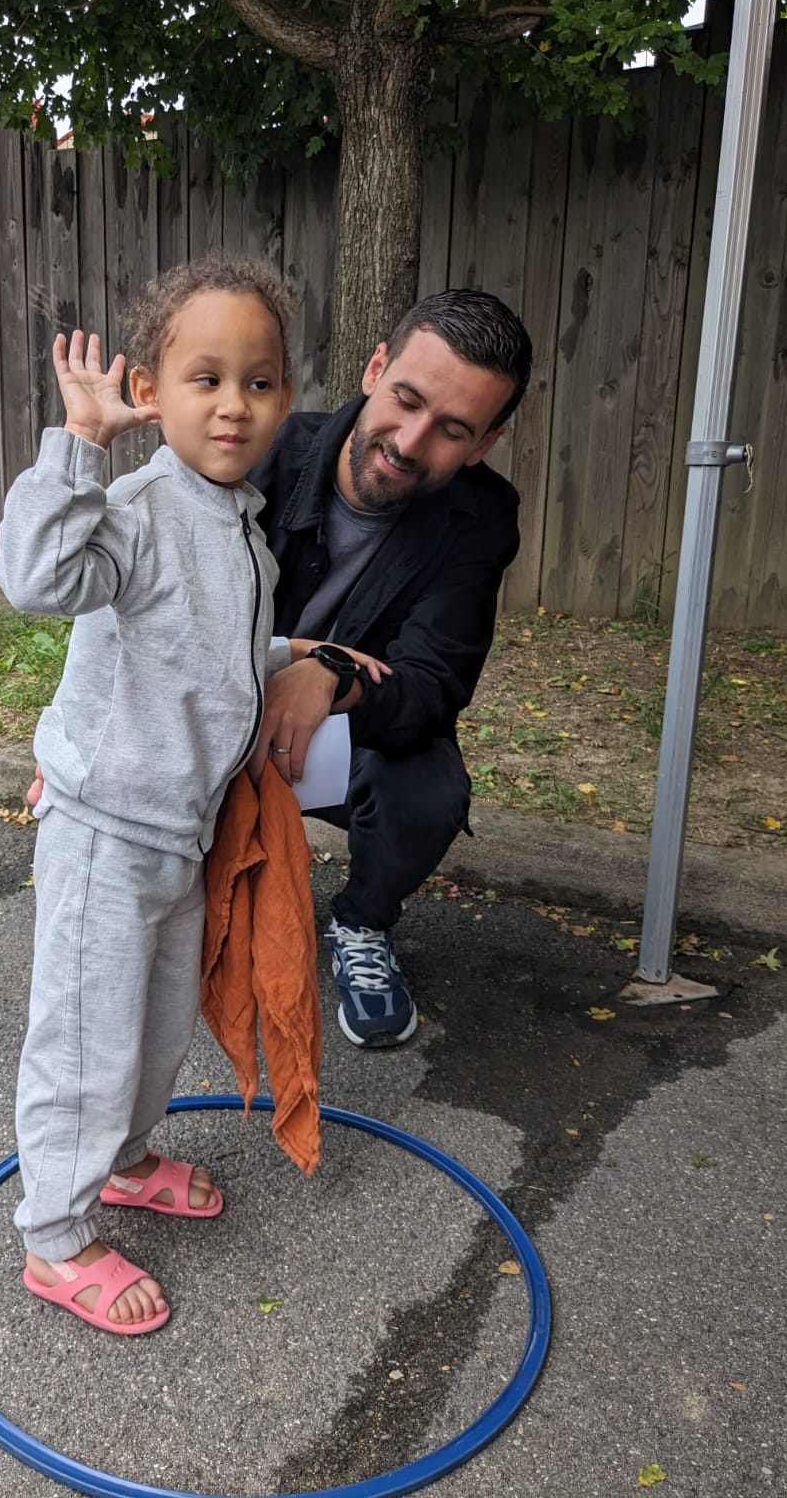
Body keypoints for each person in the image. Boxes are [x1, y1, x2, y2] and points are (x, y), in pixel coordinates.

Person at [0, 258, 385, 1335]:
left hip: (181, 835)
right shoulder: (134, 509)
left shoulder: (239, 524)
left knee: (156, 1028)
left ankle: (121, 1161)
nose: (233, 405)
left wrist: (296, 652)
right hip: (105, 834)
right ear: (150, 390)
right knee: (85, 1040)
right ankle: (54, 1239)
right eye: (205, 378)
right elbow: (37, 578)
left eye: (258, 382)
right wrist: (79, 444)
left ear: (287, 398)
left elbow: (210, 649)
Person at [247, 288, 533, 1052]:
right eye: (407, 399)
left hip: (347, 728)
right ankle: (206, 895)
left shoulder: (481, 517)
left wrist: (329, 677)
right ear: (376, 367)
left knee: (429, 787)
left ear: (484, 443)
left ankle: (362, 921)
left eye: (452, 430)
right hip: (226, 704)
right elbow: (152, 604)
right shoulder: (261, 449)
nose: (409, 442)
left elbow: (432, 685)